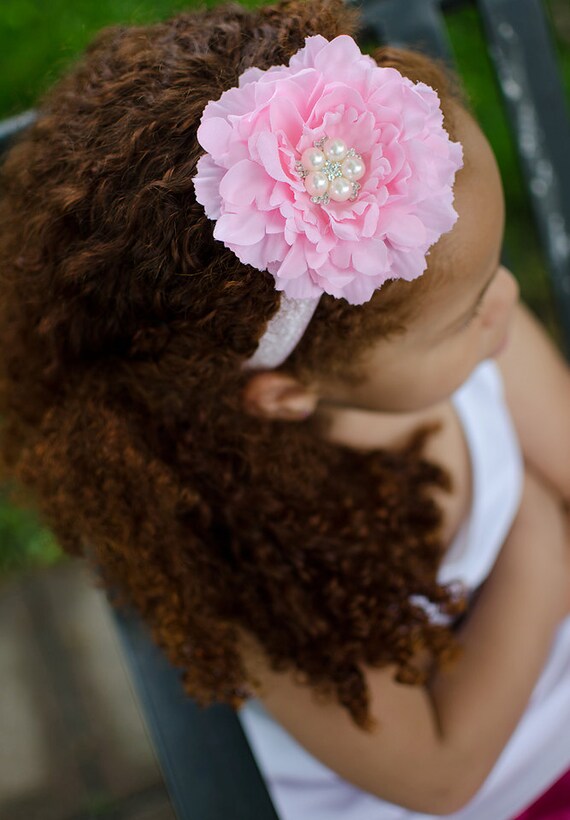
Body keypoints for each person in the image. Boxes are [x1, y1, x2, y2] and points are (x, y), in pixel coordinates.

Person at [0, 0, 569, 817]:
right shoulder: (263, 549)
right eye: (470, 305)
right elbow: (441, 776)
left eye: (494, 269)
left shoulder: (479, 338)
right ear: (286, 393)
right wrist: (542, 542)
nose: (508, 302)